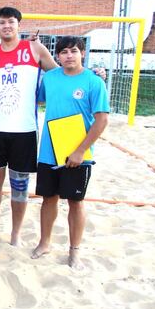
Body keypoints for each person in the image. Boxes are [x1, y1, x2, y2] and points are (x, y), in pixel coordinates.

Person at [0, 6, 58, 247]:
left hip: (24, 130)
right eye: (2, 22)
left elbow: (60, 75)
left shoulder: (34, 49)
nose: (7, 26)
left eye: (11, 22)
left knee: (20, 184)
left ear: (19, 24)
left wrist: (92, 74)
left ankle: (16, 233)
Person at [31, 36, 109, 270]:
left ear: (82, 53)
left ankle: (74, 251)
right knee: (48, 198)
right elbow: (37, 98)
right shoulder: (51, 78)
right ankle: (44, 243)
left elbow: (102, 120)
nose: (69, 56)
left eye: (73, 51)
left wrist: (80, 151)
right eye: (63, 52)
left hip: (78, 153)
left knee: (76, 201)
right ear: (57, 56)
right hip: (49, 149)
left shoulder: (94, 82)